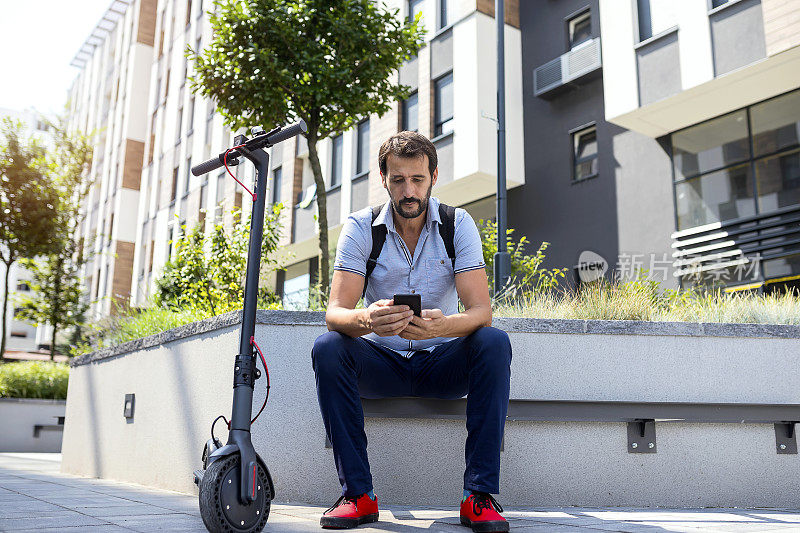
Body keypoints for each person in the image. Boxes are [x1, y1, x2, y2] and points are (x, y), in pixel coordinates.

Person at [312, 131, 512, 532]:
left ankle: (478, 496)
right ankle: (358, 495)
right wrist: (367, 320)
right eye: (399, 180)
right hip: (380, 363)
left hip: (442, 365)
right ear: (383, 179)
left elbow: (481, 312)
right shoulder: (360, 228)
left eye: (417, 180)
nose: (409, 191)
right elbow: (336, 313)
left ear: (433, 177)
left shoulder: (458, 225)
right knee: (328, 346)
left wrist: (443, 326)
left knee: (494, 341)